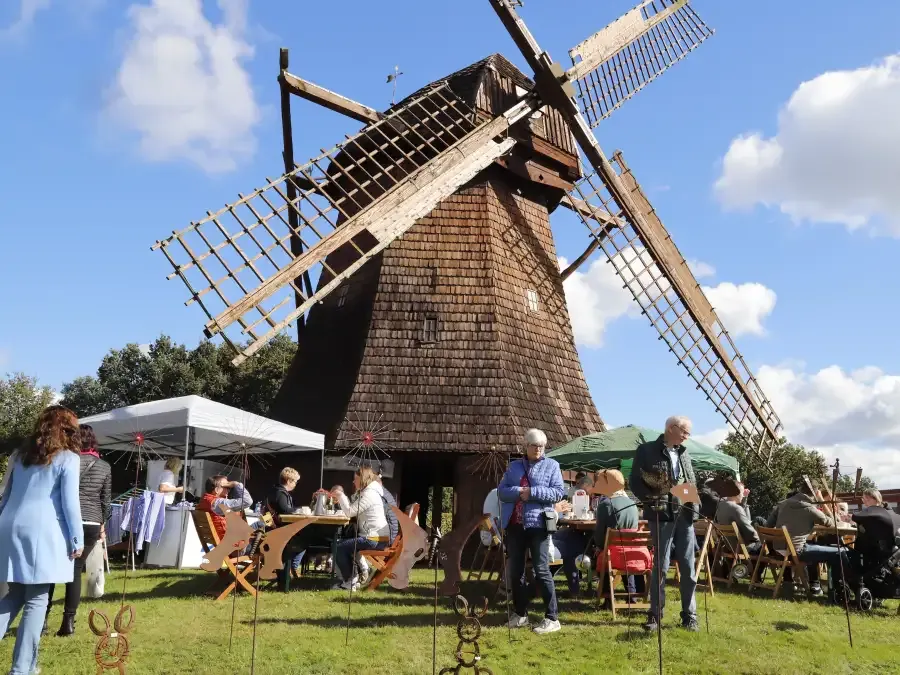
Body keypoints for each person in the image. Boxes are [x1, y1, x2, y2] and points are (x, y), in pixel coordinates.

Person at [0, 406, 84, 675]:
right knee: (37, 600)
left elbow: (5, 494)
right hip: (41, 530)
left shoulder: (19, 454)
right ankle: (22, 668)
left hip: (9, 525)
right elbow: (70, 503)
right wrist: (76, 538)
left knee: (12, 595)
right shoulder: (68, 458)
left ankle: (28, 665)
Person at [629, 415, 699, 632]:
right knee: (660, 566)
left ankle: (690, 616)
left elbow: (689, 483)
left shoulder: (684, 453)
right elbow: (635, 481)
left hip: (684, 516)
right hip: (661, 515)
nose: (687, 436)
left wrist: (694, 509)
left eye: (689, 433)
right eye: (685, 431)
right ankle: (655, 615)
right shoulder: (646, 450)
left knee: (688, 568)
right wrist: (651, 501)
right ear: (671, 428)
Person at [44, 425, 112, 638]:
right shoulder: (104, 466)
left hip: (63, 519)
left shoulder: (63, 460)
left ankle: (42, 620)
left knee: (51, 570)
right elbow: (106, 501)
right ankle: (68, 623)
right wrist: (102, 524)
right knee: (75, 571)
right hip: (92, 522)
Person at [498, 428, 565, 635]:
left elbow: (558, 492)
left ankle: (552, 618)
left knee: (541, 570)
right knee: (516, 571)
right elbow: (502, 492)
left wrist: (532, 493)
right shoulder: (514, 467)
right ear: (525, 445)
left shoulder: (552, 466)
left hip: (539, 526)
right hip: (515, 525)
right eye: (534, 445)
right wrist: (520, 492)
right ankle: (520, 615)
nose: (538, 449)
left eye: (542, 446)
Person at [766, 478, 849, 598]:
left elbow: (768, 525)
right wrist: (821, 501)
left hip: (778, 550)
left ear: (800, 489)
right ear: (815, 493)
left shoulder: (782, 504)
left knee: (813, 546)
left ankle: (791, 582)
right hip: (797, 552)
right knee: (840, 552)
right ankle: (836, 591)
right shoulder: (810, 509)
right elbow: (834, 522)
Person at [331, 465, 390, 591]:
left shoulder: (369, 494)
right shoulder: (370, 492)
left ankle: (349, 581)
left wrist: (341, 496)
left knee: (339, 546)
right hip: (377, 537)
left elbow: (349, 512)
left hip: (373, 539)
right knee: (343, 545)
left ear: (362, 479)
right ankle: (353, 577)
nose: (353, 482)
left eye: (355, 479)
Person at [593, 469, 645, 602]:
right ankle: (632, 596)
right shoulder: (633, 504)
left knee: (600, 553)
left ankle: (607, 598)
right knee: (621, 553)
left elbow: (599, 534)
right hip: (633, 553)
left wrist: (598, 546)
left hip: (613, 554)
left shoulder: (606, 504)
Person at [196, 475, 254, 540]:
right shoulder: (217, 504)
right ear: (217, 490)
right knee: (260, 525)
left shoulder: (205, 501)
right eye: (226, 487)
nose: (228, 490)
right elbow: (247, 501)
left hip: (226, 539)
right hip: (233, 542)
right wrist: (236, 484)